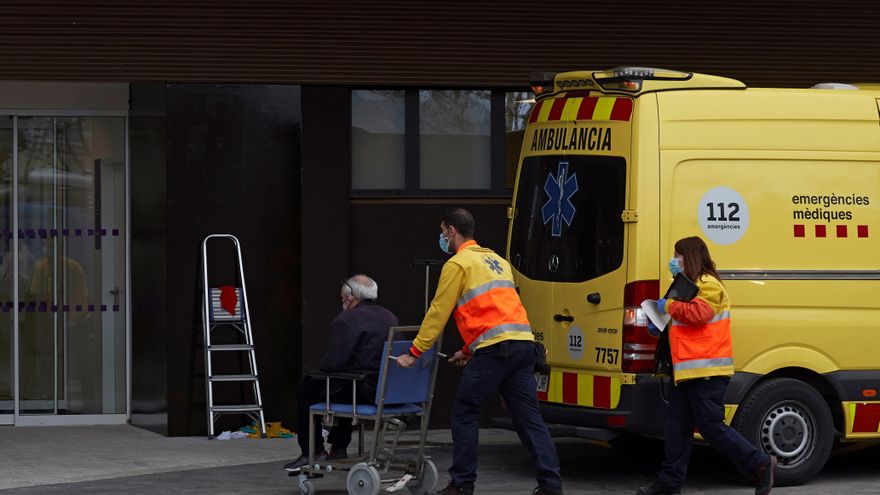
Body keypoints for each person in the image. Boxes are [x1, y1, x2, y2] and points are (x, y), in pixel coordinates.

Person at [396, 208, 563, 495]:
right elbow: (495, 315)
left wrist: (415, 350)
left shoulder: (458, 264)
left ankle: (462, 485)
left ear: (451, 231)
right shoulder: (497, 261)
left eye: (442, 231)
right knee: (530, 420)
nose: (441, 237)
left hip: (497, 351)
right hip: (522, 346)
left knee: (465, 413)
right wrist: (468, 349)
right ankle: (550, 486)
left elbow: (439, 312)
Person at [637, 236, 776, 495]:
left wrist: (667, 305)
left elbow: (698, 314)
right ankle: (669, 485)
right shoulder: (683, 285)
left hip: (707, 372)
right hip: (686, 371)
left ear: (690, 257)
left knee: (712, 429)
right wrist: (658, 321)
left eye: (678, 256)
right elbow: (678, 319)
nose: (674, 261)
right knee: (677, 431)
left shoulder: (709, 284)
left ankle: (760, 463)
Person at [284, 274, 399, 471]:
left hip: (362, 389)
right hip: (386, 388)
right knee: (342, 384)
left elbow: (333, 363)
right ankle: (338, 446)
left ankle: (312, 450)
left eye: (342, 297)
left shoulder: (347, 318)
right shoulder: (389, 316)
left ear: (350, 297)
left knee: (309, 388)